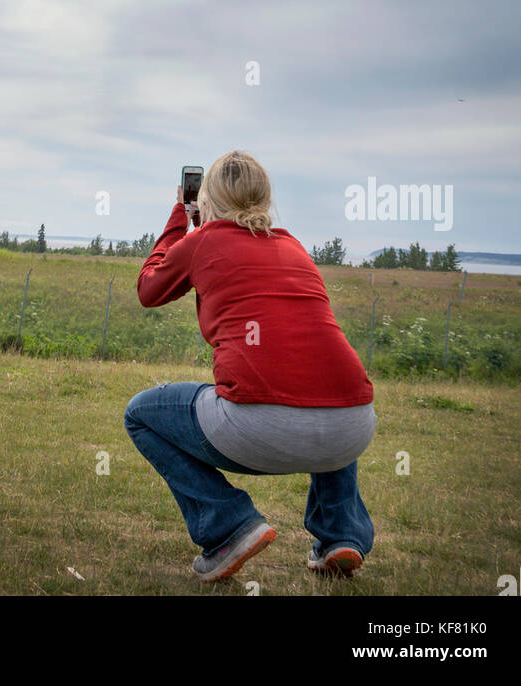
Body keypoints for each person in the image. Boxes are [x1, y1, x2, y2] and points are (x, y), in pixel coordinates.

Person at [124, 150, 376, 583]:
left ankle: (228, 528)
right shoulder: (292, 244)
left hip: (257, 428)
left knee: (140, 414)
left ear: (207, 199)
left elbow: (150, 288)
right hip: (352, 427)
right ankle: (340, 536)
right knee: (323, 384)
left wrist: (178, 219)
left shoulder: (201, 240)